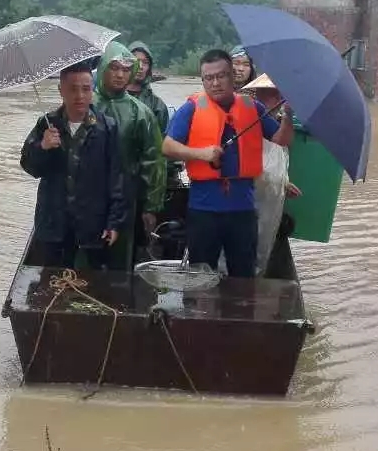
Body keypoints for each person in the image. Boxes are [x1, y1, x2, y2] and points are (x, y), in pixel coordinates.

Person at [162, 49, 294, 278]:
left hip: (242, 210)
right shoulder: (192, 108)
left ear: (232, 76)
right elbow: (167, 147)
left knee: (243, 276)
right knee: (200, 276)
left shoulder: (253, 107)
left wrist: (288, 116)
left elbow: (281, 139)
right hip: (203, 210)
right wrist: (201, 154)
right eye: (208, 78)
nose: (215, 83)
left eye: (221, 76)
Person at [19, 62, 126, 270]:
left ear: (93, 90)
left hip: (93, 221)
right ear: (61, 90)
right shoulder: (47, 124)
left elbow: (117, 178)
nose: (80, 96)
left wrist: (114, 222)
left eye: (86, 89)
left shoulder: (107, 127)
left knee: (93, 280)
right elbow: (30, 167)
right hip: (53, 221)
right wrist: (42, 147)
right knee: (52, 278)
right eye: (73, 89)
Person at [93, 40, 165, 270]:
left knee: (121, 262)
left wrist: (151, 206)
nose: (120, 75)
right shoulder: (86, 104)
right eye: (114, 68)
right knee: (86, 261)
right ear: (103, 68)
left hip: (126, 199)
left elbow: (154, 161)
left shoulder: (141, 113)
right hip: (89, 198)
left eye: (126, 69)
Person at [241, 73, 302, 275]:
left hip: (271, 197)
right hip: (249, 194)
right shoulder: (249, 117)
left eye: (277, 94)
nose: (274, 99)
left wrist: (283, 183)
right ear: (257, 94)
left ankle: (257, 275)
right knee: (247, 241)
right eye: (268, 93)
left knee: (264, 242)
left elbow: (277, 157)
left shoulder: (278, 121)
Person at [127, 41, 170, 134]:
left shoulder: (157, 105)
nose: (140, 66)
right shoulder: (113, 99)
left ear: (149, 68)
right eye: (136, 61)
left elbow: (162, 138)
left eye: (145, 62)